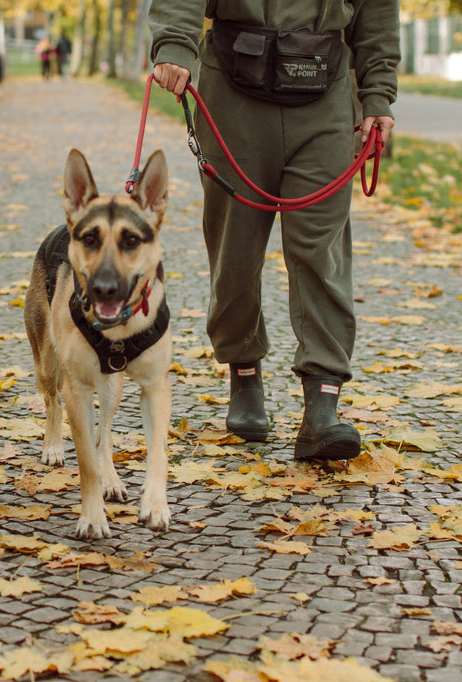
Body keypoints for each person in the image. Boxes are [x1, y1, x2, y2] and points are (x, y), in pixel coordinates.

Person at [148, 2, 398, 461]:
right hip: (233, 93)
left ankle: (322, 406)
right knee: (234, 249)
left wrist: (378, 92)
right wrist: (173, 43)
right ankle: (244, 374)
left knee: (321, 250)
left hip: (325, 96)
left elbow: (377, 10)